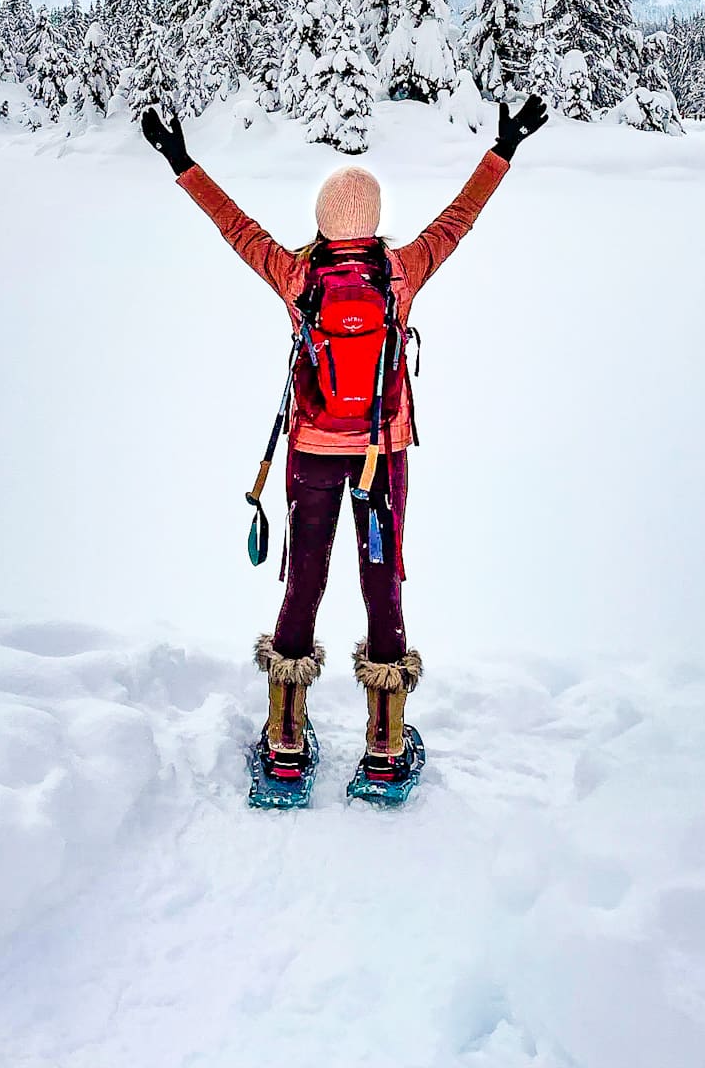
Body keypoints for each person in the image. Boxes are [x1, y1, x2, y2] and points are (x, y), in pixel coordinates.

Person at [140, 95, 548, 790]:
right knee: (381, 584)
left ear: (323, 221)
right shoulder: (401, 274)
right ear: (376, 220)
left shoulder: (299, 279)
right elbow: (460, 220)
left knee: (305, 583)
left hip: (311, 456)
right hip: (380, 457)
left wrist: (180, 160)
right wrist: (503, 148)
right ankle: (386, 748)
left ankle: (286, 744)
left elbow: (235, 228)